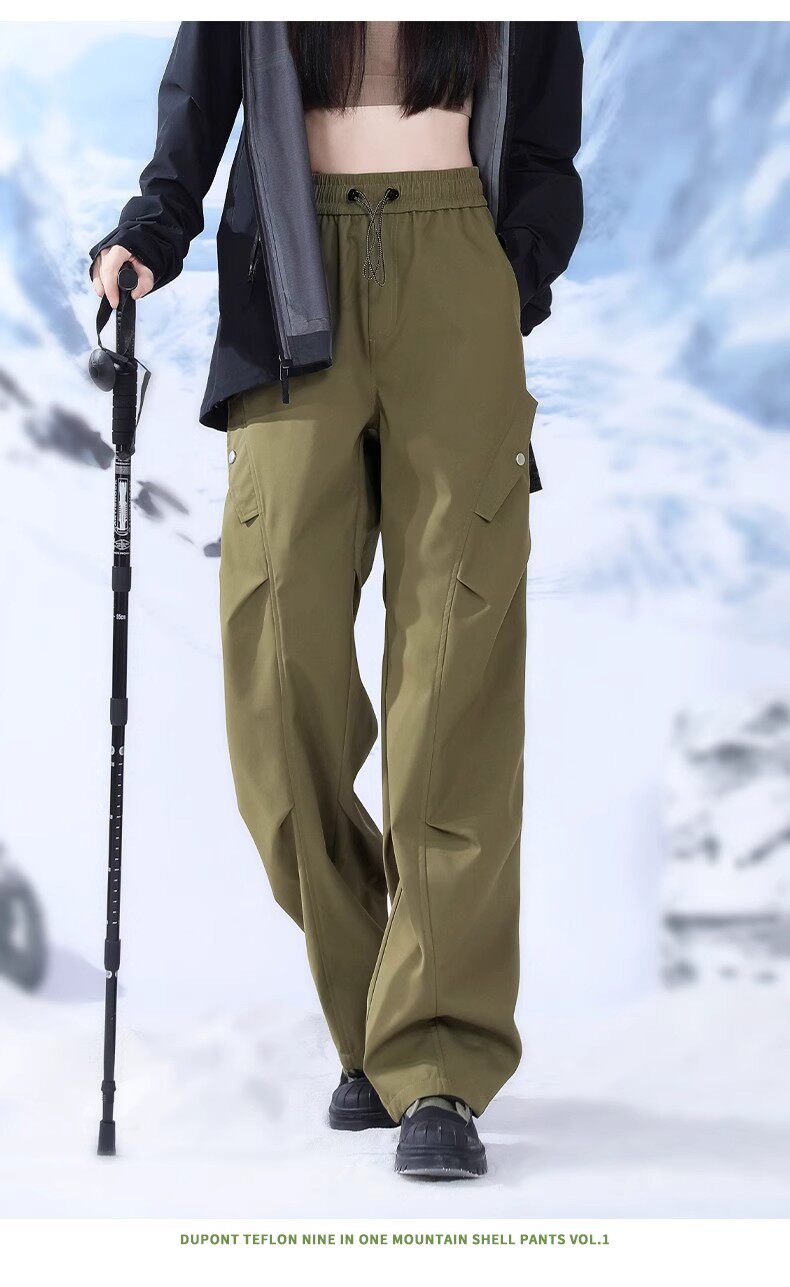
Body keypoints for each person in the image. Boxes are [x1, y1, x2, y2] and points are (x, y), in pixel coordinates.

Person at [90, 20, 583, 1180]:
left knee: (452, 677)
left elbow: (543, 146)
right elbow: (196, 118)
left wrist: (505, 278)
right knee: (276, 674)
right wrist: (147, 234)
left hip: (455, 268)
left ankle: (438, 1062)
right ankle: (373, 1010)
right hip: (289, 278)